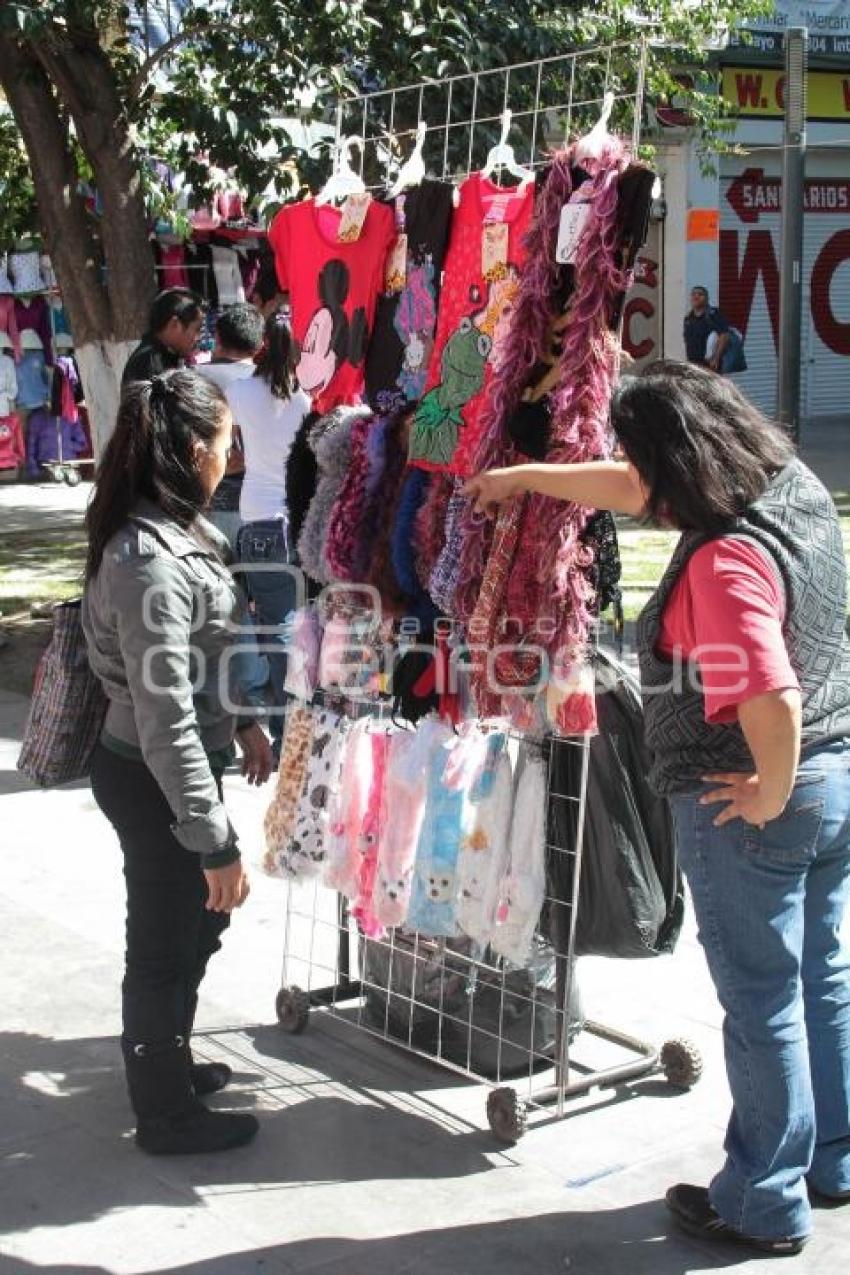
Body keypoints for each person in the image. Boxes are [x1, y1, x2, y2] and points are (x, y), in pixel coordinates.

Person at [465, 360, 850, 1258]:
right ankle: (831, 1157)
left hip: (754, 806)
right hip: (836, 780)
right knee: (820, 979)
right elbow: (633, 487)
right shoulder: (789, 487)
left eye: (640, 461)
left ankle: (763, 1199)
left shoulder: (724, 561)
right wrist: (524, 479)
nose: (637, 484)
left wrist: (767, 788)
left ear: (675, 462)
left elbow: (772, 694)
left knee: (762, 1004)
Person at [82, 369, 274, 1156]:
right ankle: (163, 1112)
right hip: (152, 773)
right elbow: (165, 719)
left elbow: (207, 661)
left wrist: (250, 725)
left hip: (181, 762)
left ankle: (173, 1059)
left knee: (199, 923)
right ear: (195, 447)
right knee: (163, 941)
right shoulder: (146, 559)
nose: (232, 458)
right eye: (228, 442)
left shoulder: (180, 529)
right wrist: (214, 838)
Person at [226, 307, 311, 756]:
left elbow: (233, 444)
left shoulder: (241, 391)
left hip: (256, 521)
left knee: (274, 635)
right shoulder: (304, 398)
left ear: (261, 347)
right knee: (296, 632)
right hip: (293, 524)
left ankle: (286, 737)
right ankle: (297, 731)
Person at [196, 303, 265, 551]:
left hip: (201, 505)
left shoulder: (188, 380)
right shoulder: (273, 385)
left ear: (217, 339)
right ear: (259, 347)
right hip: (261, 507)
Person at [122, 288, 206, 386]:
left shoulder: (166, 357)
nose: (198, 338)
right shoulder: (150, 365)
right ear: (175, 324)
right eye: (197, 330)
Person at [683, 286, 731, 373]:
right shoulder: (688, 319)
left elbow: (724, 336)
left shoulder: (714, 315)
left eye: (700, 294)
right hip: (694, 365)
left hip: (710, 365)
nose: (696, 297)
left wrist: (716, 358)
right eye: (693, 294)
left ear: (707, 298)